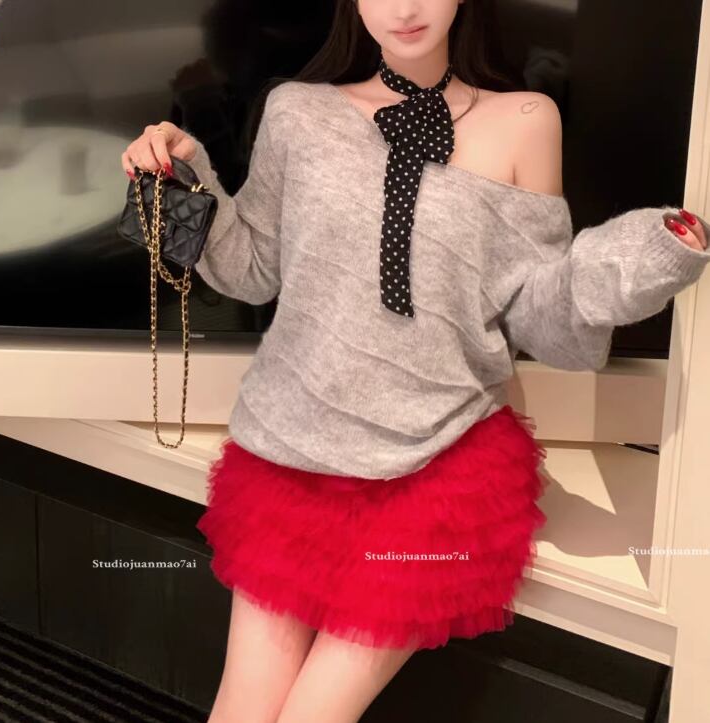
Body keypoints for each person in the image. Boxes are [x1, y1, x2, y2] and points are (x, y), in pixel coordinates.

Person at [120, 1, 710, 721]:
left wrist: (625, 267)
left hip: (438, 470)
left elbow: (539, 317)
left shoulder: (527, 121)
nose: (404, 8)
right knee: (240, 706)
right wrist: (187, 179)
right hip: (292, 449)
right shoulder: (297, 112)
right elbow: (252, 270)